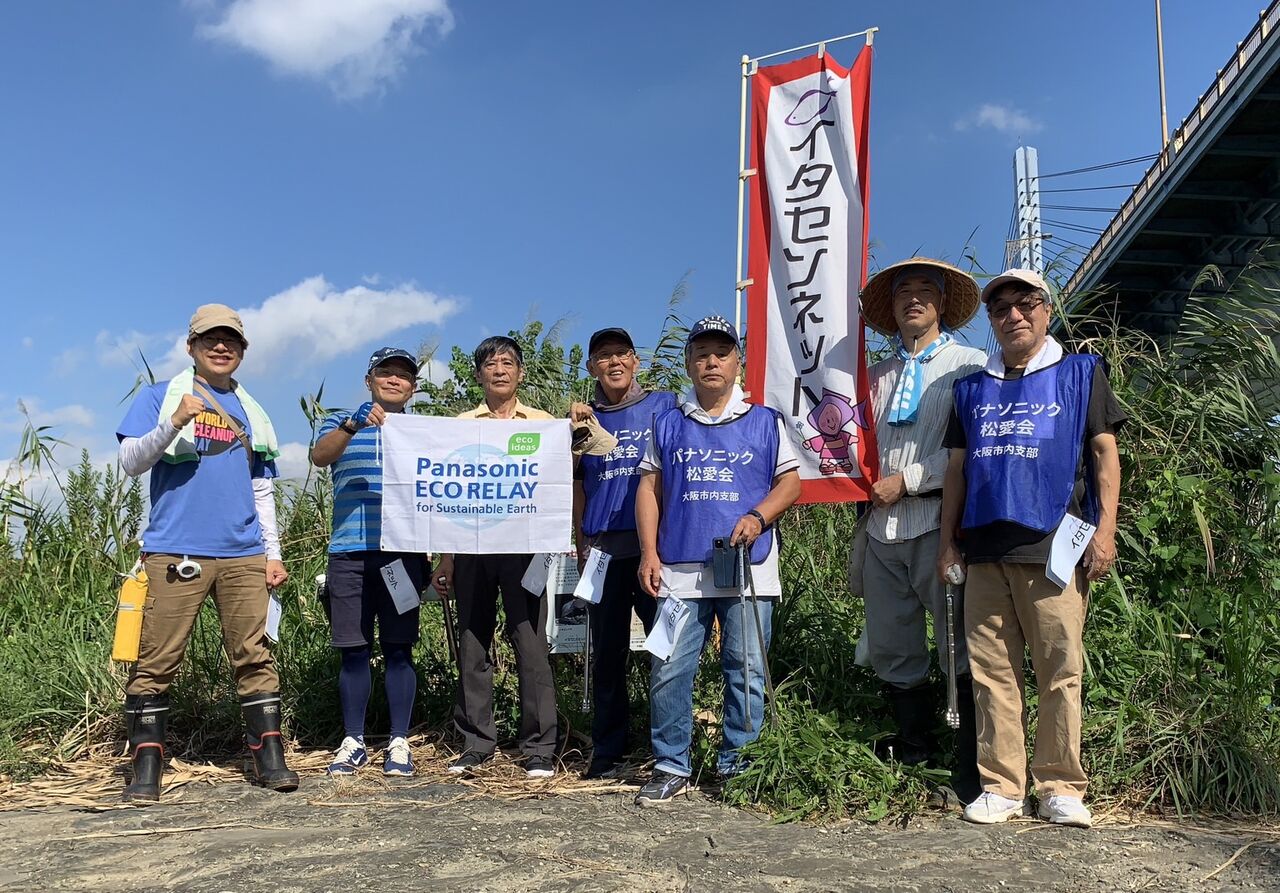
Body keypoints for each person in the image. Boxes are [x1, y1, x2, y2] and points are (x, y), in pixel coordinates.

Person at [938, 269, 1124, 828]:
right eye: (1001, 309)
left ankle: (1061, 787)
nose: (1013, 316)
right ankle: (1002, 786)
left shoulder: (1080, 372)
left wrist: (1105, 530)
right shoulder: (971, 389)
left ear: (1046, 310)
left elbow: (1105, 454)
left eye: (1026, 304)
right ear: (991, 321)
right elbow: (956, 471)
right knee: (992, 672)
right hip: (983, 550)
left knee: (1060, 669)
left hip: (1054, 545)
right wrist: (948, 543)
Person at [115, 304, 298, 801]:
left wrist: (273, 552)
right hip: (175, 550)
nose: (221, 347)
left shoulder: (252, 410)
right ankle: (146, 768)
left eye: (230, 340)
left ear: (242, 350)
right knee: (157, 658)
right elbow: (130, 461)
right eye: (210, 339)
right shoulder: (159, 397)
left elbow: (262, 487)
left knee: (254, 655)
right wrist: (174, 421)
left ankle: (269, 757)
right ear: (191, 346)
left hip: (244, 552)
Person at [632, 315, 801, 806]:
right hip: (679, 571)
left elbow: (790, 483)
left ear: (737, 363)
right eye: (701, 354)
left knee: (745, 670)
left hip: (750, 569)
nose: (711, 362)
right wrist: (648, 551)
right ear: (688, 364)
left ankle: (739, 765)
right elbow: (649, 488)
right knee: (668, 669)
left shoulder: (765, 421)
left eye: (721, 354)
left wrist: (758, 516)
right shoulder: (667, 423)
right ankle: (670, 764)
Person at [857, 258, 987, 804]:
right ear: (890, 308)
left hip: (939, 519)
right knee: (892, 638)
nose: (913, 299)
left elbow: (973, 445)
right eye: (902, 291)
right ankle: (915, 747)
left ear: (942, 303)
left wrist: (908, 479)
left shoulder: (970, 365)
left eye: (924, 291)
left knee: (959, 639)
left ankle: (971, 762)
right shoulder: (870, 378)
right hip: (878, 528)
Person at [431, 336, 560, 779]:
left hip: (525, 550)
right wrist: (446, 558)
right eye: (490, 364)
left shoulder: (544, 423)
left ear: (521, 373)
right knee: (473, 644)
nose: (499, 370)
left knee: (531, 645)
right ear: (478, 374)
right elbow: (447, 498)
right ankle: (476, 742)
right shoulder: (460, 425)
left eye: (507, 363)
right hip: (472, 549)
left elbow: (562, 480)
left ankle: (539, 746)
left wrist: (580, 425)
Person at [311, 347, 430, 778]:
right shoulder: (339, 422)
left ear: (412, 388)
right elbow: (319, 457)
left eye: (403, 375)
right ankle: (353, 741)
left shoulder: (423, 431)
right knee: (353, 650)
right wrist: (353, 424)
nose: (394, 380)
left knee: (399, 648)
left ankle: (399, 740)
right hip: (349, 553)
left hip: (403, 554)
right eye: (386, 372)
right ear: (369, 380)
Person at [570, 327, 676, 779]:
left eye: (621, 354)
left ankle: (668, 745)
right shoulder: (582, 420)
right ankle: (609, 748)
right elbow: (576, 485)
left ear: (636, 361)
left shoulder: (664, 405)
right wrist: (581, 541)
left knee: (665, 649)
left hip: (655, 550)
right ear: (591, 367)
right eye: (603, 356)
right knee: (608, 654)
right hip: (603, 553)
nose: (613, 362)